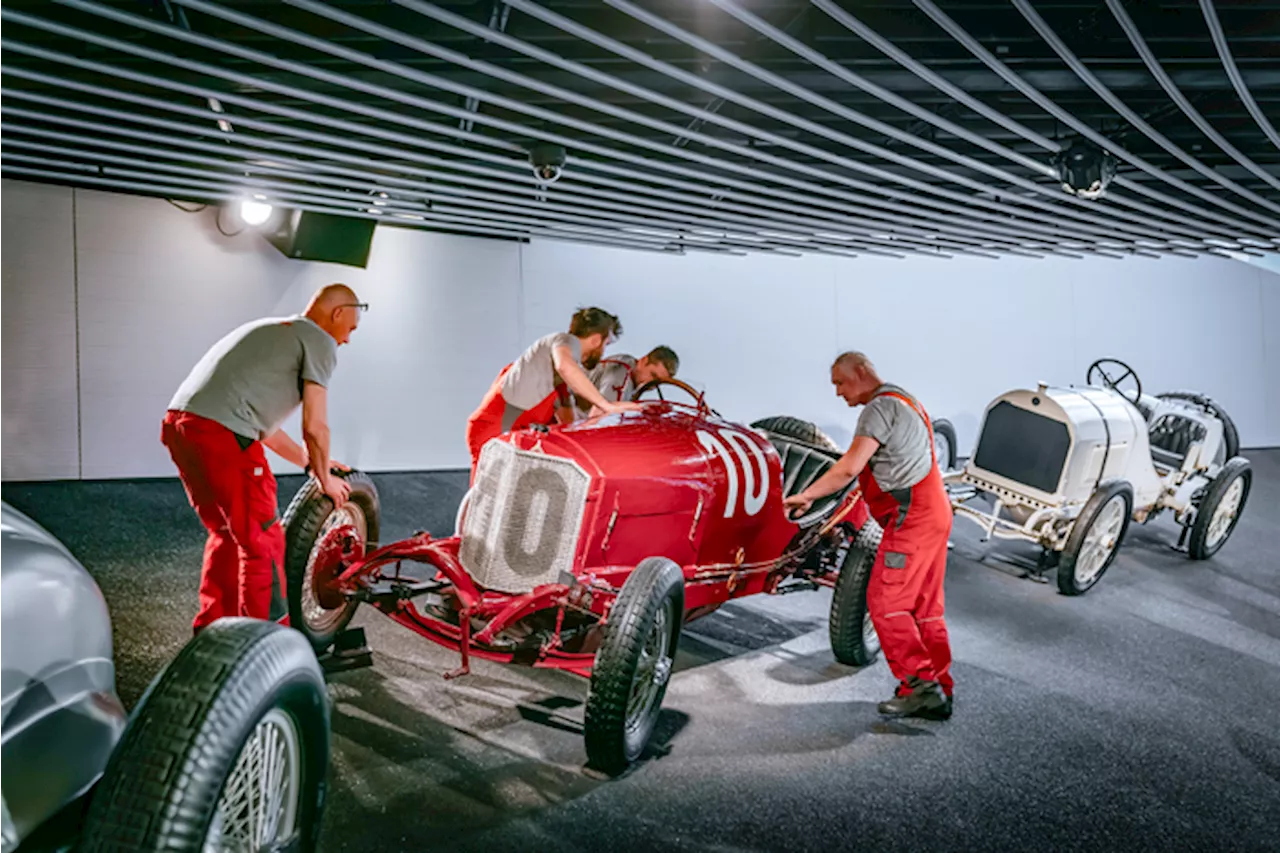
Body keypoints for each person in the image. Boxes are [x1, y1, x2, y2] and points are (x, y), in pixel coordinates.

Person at [161, 283, 363, 635]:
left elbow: (260, 426)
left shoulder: (272, 331)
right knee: (263, 539)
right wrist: (325, 480)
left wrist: (311, 462)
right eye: (351, 329)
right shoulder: (319, 340)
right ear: (337, 314)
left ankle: (214, 630)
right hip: (221, 434)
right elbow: (315, 426)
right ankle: (263, 642)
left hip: (182, 426)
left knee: (226, 532)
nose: (347, 340)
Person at [783, 351, 954, 720]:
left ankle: (920, 686)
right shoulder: (907, 401)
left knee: (886, 601)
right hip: (935, 512)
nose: (838, 393)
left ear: (861, 372)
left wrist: (807, 495)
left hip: (911, 519)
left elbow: (849, 468)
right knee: (925, 608)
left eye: (840, 382)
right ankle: (940, 687)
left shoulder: (877, 409)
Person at [464, 307, 644, 477]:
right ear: (596, 340)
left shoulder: (557, 379)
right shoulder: (565, 341)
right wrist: (605, 404)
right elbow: (565, 366)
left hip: (508, 435)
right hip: (494, 433)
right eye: (606, 344)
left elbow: (570, 421)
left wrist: (608, 412)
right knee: (489, 503)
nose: (604, 351)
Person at [573, 345, 681, 417]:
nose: (652, 384)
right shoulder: (621, 373)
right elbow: (601, 413)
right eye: (652, 375)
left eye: (658, 382)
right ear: (644, 360)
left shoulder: (630, 368)